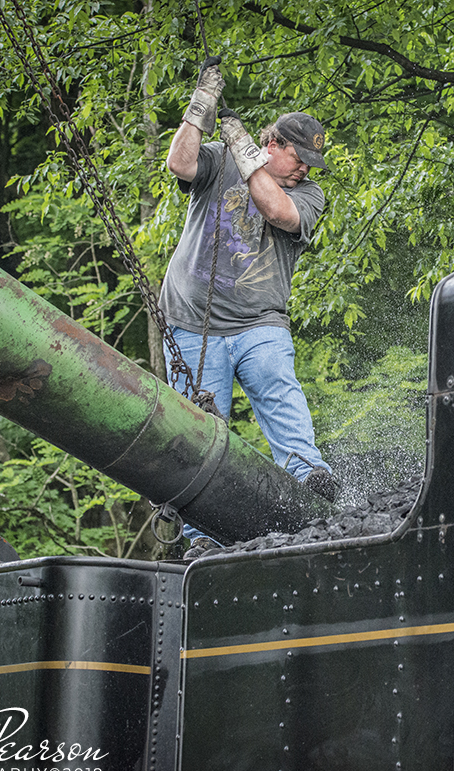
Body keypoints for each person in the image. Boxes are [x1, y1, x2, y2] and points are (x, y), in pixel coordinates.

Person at [161, 57, 336, 553]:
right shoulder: (220, 161)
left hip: (259, 322)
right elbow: (179, 163)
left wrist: (246, 155)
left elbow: (276, 210)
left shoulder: (310, 197)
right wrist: (200, 107)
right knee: (199, 433)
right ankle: (199, 537)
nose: (304, 167)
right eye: (297, 156)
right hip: (191, 323)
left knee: (279, 388)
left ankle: (309, 477)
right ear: (272, 143)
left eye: (309, 162)